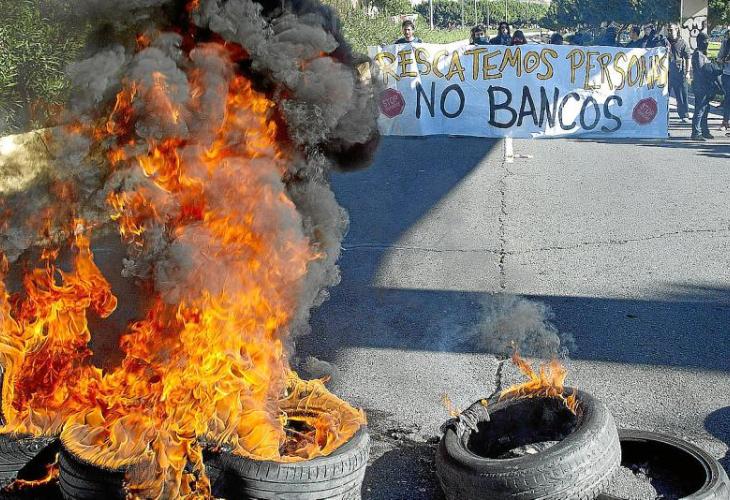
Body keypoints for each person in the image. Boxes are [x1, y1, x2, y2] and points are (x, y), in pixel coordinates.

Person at [691, 33, 723, 140]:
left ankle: (704, 130)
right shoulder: (698, 54)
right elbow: (703, 69)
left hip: (705, 86)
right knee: (700, 110)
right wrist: (713, 68)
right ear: (700, 42)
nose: (707, 43)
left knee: (705, 109)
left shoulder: (702, 54)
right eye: (705, 41)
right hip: (700, 86)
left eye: (708, 41)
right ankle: (696, 132)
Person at [667, 24, 691, 123]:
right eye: (668, 30)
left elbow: (688, 58)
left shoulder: (682, 43)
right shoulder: (665, 42)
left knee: (681, 95)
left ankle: (684, 115)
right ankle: (663, 115)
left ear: (677, 30)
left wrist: (688, 72)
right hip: (667, 73)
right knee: (664, 95)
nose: (669, 31)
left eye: (671, 29)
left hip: (679, 73)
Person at [717, 28, 730, 132]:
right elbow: (719, 58)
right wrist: (724, 60)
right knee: (728, 98)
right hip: (727, 74)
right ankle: (725, 121)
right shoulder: (726, 43)